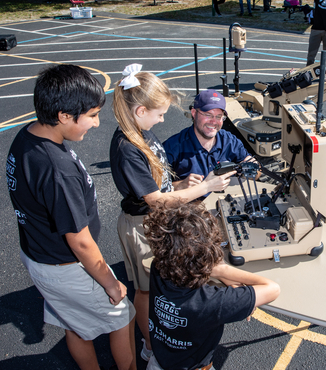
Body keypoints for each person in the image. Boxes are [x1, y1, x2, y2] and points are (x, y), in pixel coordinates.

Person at [6, 64, 136, 370]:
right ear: (64, 116)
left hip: (41, 256)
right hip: (67, 267)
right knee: (122, 316)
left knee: (76, 325)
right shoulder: (57, 171)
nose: (96, 123)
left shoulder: (28, 137)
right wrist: (110, 283)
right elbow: (80, 242)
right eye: (91, 115)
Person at [109, 64, 234, 363]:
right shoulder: (128, 147)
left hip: (153, 221)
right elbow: (158, 202)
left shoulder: (143, 133)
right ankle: (151, 347)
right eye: (160, 113)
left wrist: (178, 183)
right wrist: (206, 185)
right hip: (142, 225)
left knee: (158, 283)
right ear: (140, 111)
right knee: (145, 290)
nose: (163, 118)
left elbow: (157, 187)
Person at [143, 200, 281, 370]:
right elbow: (273, 289)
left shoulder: (158, 269)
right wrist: (221, 271)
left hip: (158, 362)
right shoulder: (213, 302)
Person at [163, 89, 254, 193]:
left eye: (219, 116)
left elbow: (255, 171)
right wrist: (180, 185)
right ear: (194, 113)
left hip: (226, 204)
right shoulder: (172, 148)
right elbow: (153, 193)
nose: (213, 121)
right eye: (208, 115)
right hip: (191, 207)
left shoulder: (229, 141)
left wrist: (250, 169)